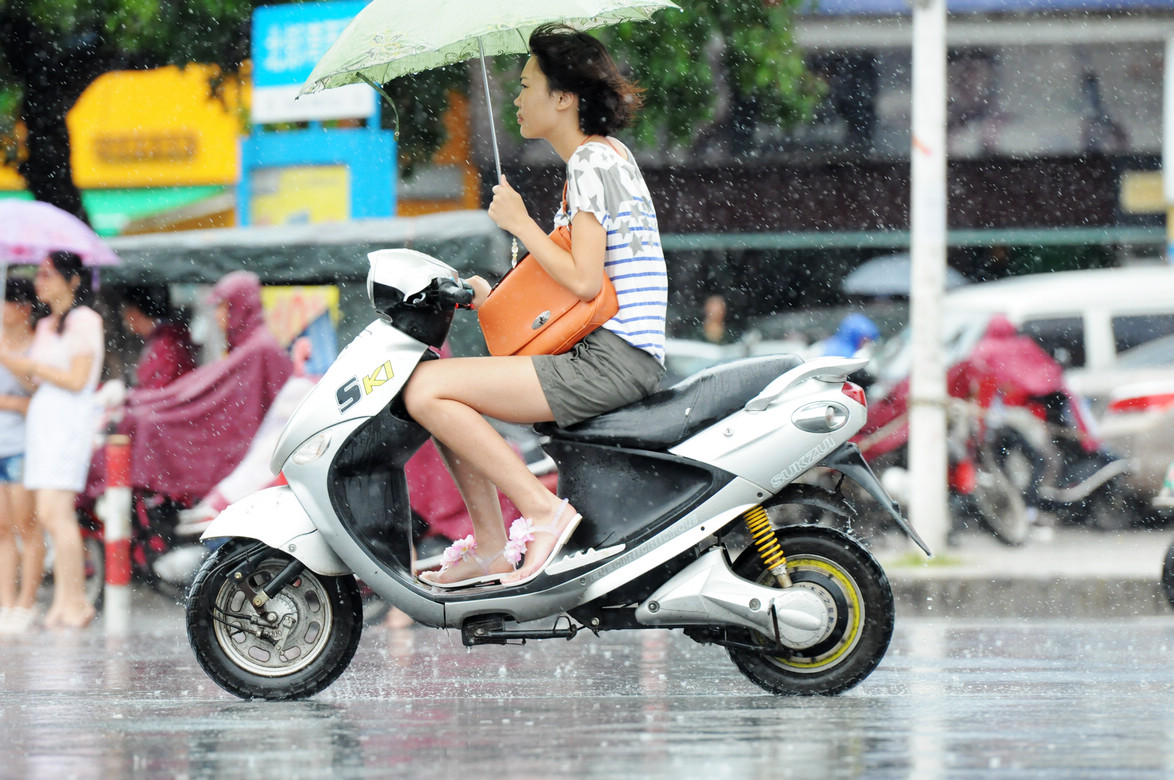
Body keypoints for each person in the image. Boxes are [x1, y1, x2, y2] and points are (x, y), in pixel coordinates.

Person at [405, 24, 667, 589]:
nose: (517, 99)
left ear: (564, 97)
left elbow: (584, 281)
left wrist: (520, 223)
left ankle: (541, 511)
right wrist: (493, 295)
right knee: (437, 387)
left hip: (612, 358)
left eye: (527, 86)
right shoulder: (604, 158)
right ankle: (492, 548)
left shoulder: (592, 161)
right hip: (611, 353)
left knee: (425, 388)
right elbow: (570, 282)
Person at [119, 271, 294, 503]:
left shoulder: (259, 348)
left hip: (258, 455)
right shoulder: (251, 345)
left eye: (223, 307)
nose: (218, 315)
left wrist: (149, 403)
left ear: (241, 307)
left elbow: (209, 388)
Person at [0, 252, 104, 628]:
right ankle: (63, 599)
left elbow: (77, 379)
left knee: (55, 514)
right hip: (43, 425)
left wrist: (30, 365)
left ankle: (76, 602)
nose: (39, 281)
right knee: (48, 515)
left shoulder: (85, 320)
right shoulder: (46, 325)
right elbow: (34, 381)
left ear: (71, 280)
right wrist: (10, 358)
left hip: (68, 423)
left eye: (47, 274)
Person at [0, 279, 42, 634]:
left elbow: (39, 395)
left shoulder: (37, 345)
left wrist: (7, 360)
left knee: (26, 527)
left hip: (22, 447)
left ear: (23, 308)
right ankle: (6, 603)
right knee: (1, 530)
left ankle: (27, 603)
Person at [119, 284, 197, 389]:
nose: (124, 318)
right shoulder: (164, 337)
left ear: (134, 313)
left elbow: (157, 385)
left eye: (124, 311)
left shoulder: (167, 340)